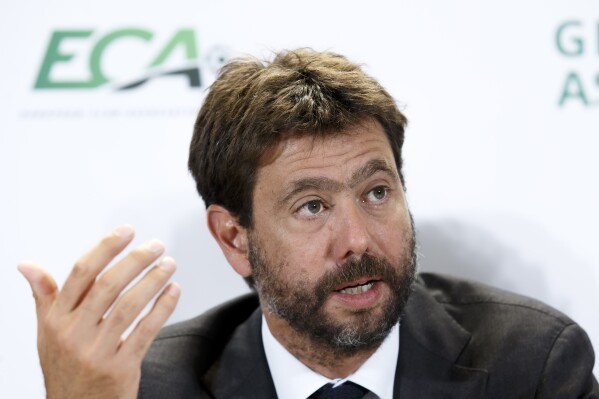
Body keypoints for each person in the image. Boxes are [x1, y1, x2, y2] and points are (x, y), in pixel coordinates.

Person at [19, 48, 598, 399]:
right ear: (234, 238)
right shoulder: (151, 386)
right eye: (312, 206)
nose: (359, 240)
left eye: (377, 192)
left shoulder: (532, 365)